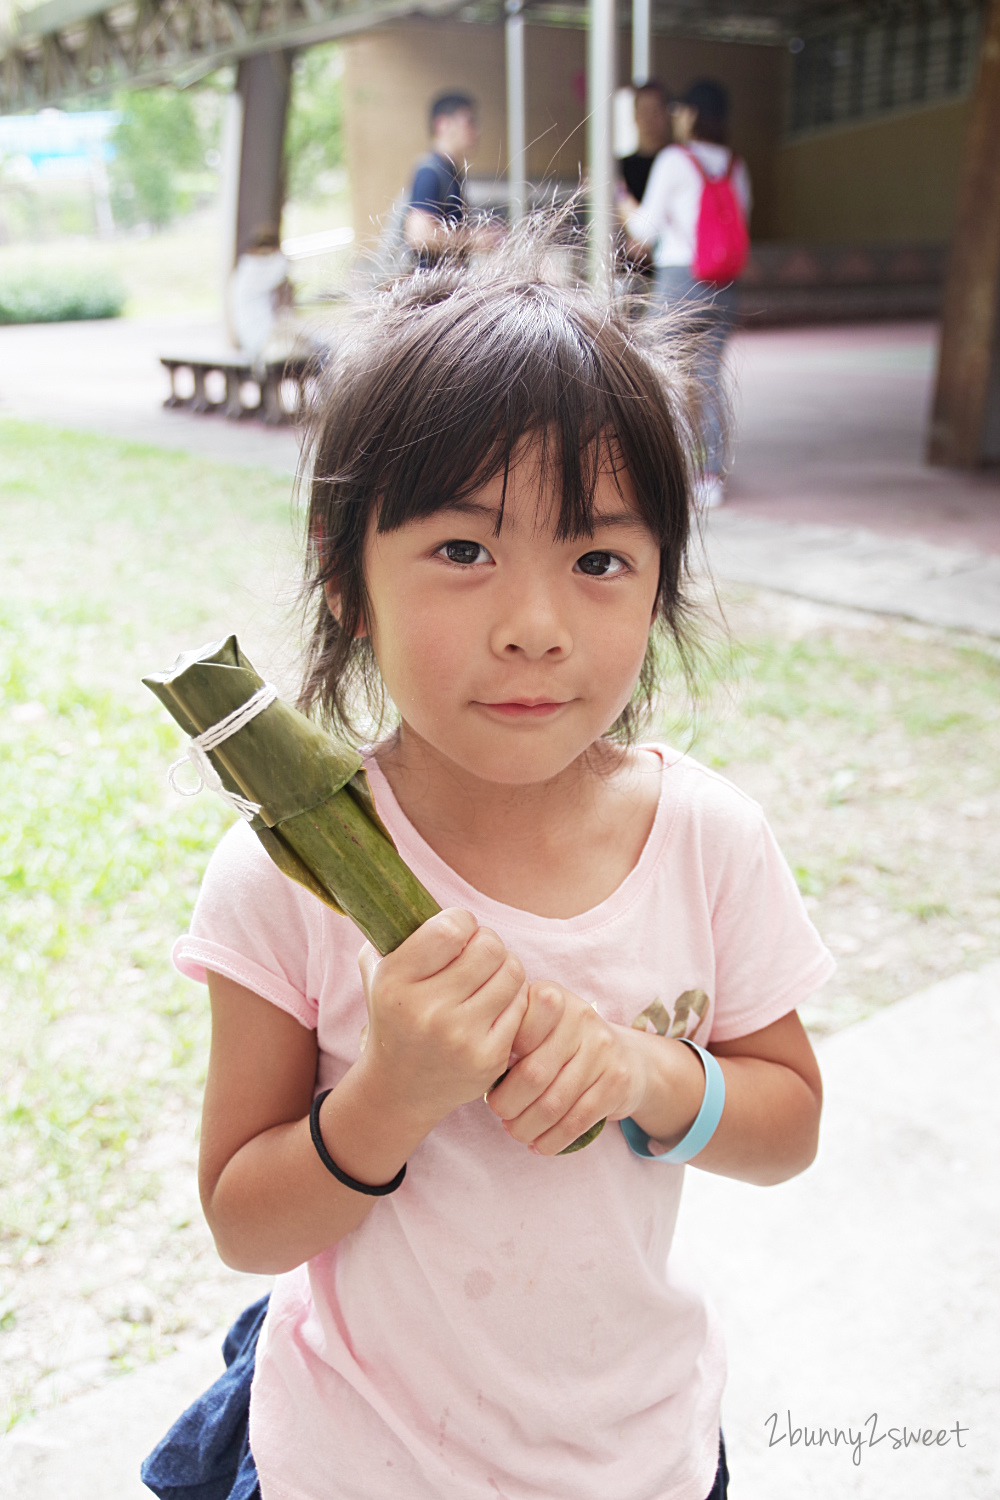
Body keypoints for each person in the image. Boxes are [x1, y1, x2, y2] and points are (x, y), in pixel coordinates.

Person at [142, 221, 833, 1500]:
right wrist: (390, 1094)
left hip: (644, 1457)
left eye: (598, 559)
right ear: (347, 581)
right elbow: (245, 1219)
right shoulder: (286, 883)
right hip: (355, 1466)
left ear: (659, 584)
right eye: (463, 550)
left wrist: (645, 1071)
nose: (533, 627)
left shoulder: (705, 841)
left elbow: (785, 1124)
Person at [623, 79, 752, 510]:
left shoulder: (675, 160)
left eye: (680, 111)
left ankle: (665, 468)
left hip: (680, 280)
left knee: (665, 376)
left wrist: (622, 199)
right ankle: (708, 476)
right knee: (708, 379)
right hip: (723, 284)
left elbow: (642, 232)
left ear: (693, 115)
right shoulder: (736, 166)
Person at [403, 91, 491, 265]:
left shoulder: (450, 171)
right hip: (430, 288)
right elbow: (419, 235)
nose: (478, 130)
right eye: (470, 121)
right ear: (442, 124)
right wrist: (473, 240)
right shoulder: (430, 172)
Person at [228, 225, 294, 366]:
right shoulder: (254, 269)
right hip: (261, 341)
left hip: (251, 340)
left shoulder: (244, 269)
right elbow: (284, 265)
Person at [619, 79, 673, 204]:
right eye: (644, 111)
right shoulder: (621, 169)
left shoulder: (677, 162)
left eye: (654, 112)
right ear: (635, 116)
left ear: (666, 115)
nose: (648, 120)